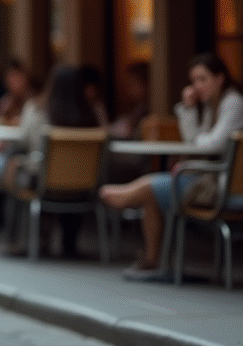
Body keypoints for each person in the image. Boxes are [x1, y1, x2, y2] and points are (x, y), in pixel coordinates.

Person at [99, 53, 243, 279]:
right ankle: (153, 260)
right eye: (194, 80)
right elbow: (195, 141)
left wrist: (197, 140)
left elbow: (214, 144)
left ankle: (152, 257)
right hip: (205, 178)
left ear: (220, 78)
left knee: (149, 189)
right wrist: (188, 109)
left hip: (219, 184)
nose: (197, 87)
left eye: (202, 79)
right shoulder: (210, 106)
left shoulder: (233, 103)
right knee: (151, 193)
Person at [0, 63, 100, 240]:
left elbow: (22, 140)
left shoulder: (38, 109)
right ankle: (68, 243)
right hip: (86, 186)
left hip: (41, 181)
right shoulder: (94, 114)